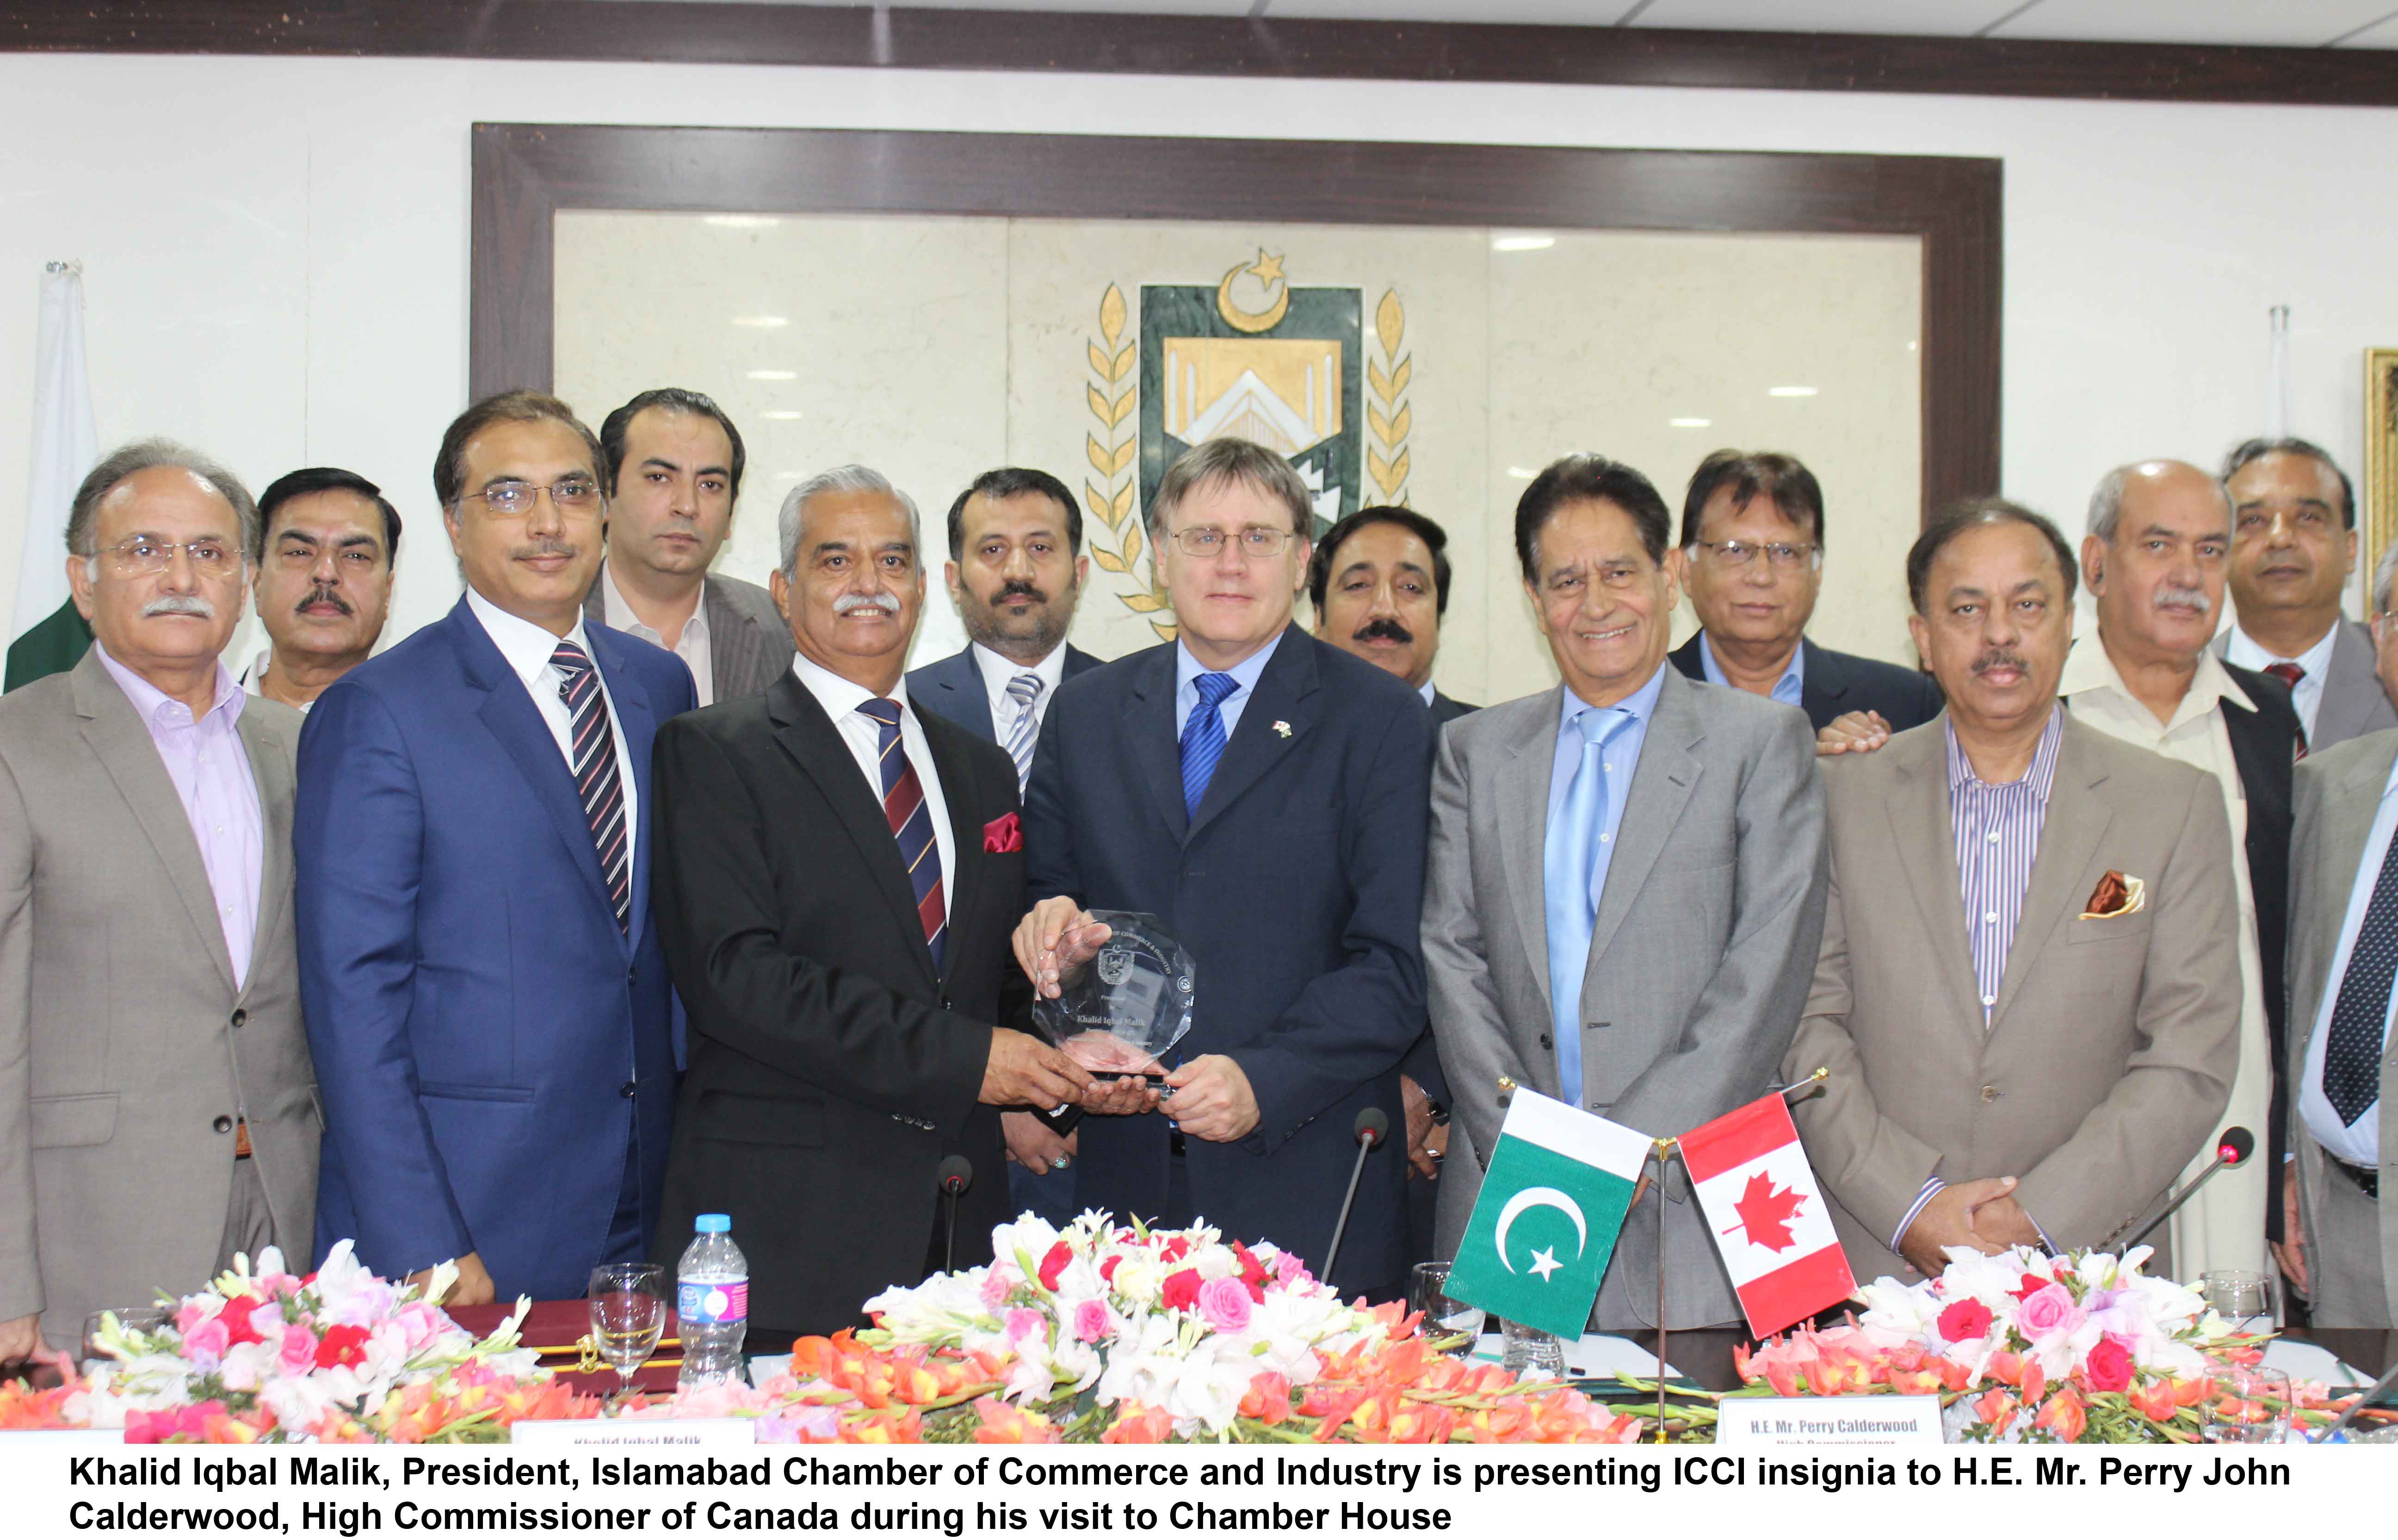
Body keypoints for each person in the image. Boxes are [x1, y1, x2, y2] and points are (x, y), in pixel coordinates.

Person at [651, 466, 1094, 1336]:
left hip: (961, 1229)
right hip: (789, 1227)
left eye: (892, 560)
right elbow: (736, 978)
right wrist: (968, 1060)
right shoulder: (712, 752)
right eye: (835, 560)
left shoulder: (980, 769)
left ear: (923, 589)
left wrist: (1068, 1024)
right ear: (783, 590)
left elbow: (985, 982)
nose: (868, 583)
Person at [1424, 453, 1826, 1388]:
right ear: (1534, 598)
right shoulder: (1474, 750)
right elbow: (1451, 955)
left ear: (1670, 574)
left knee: (1702, 1464)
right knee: (1510, 1457)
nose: (1596, 602)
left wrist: (1623, 1152)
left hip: (1702, 1211)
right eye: (1566, 579)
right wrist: (1537, 1152)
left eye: (1619, 571)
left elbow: (1766, 970)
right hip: (1514, 1198)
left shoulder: (1760, 740)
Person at [297, 390, 696, 1305]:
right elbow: (351, 999)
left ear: (605, 509)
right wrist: (420, 1235)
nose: (548, 522)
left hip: (647, 1191)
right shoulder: (380, 709)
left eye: (573, 490)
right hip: (469, 1208)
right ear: (454, 521)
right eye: (510, 494)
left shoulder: (658, 685)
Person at [1014, 437, 1430, 1299]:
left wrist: (1264, 1079)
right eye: (1204, 537)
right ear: (1160, 557)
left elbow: (1396, 965)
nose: (1230, 563)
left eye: (1259, 538)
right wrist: (1051, 944)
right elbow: (1047, 901)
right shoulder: (1085, 714)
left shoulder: (1381, 720)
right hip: (1124, 1189)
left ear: (1302, 559)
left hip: (1307, 1179)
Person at [1790, 499, 2240, 1282]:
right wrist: (1908, 1204)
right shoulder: (1838, 797)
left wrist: (2037, 1215)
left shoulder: (2172, 805)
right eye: (1967, 609)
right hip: (1880, 1262)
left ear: (2069, 623)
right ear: (1922, 636)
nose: (1999, 633)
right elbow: (1805, 1028)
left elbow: (2188, 1055)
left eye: (2027, 605)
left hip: (2093, 1278)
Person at [0, 441, 316, 1360]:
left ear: (246, 580)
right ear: (82, 580)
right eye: (144, 549)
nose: (181, 577)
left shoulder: (299, 744)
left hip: (286, 1218)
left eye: (210, 552)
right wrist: (7, 1280)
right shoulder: (19, 744)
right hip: (91, 1232)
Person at [2058, 461, 2299, 1280]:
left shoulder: (2264, 720)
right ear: (2096, 563)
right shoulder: (2035, 709)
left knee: (2219, 1336)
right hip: (2073, 1119)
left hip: (2233, 1115)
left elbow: (2283, 947)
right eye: (2158, 545)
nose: (2188, 575)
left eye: (2209, 549)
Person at [907, 467, 1101, 1225]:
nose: (1017, 570)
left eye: (1040, 548)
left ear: (1078, 570)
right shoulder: (899, 711)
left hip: (1107, 1111)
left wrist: (1066, 1094)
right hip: (944, 1111)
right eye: (992, 549)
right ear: (953, 577)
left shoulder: (1138, 708)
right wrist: (995, 1091)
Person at [1307, 503, 1473, 1262]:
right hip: (1300, 1126)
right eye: (1357, 585)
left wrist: (1432, 1089)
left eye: (1411, 588)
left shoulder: (1492, 752)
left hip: (1452, 1141)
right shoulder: (1265, 755)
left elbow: (1514, 952)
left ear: (1438, 614)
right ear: (1316, 612)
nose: (1385, 609)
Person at [2285, 541, 2398, 1375]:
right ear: (2379, 635)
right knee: (2348, 1441)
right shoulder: (2327, 785)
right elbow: (2292, 989)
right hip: (2338, 1227)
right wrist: (2290, 1168)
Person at [1667, 449, 1940, 736]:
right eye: (1735, 550)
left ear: (1817, 571)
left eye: (1786, 552)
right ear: (1686, 570)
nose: (1762, 576)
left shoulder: (1907, 704)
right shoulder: (1644, 699)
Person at [583, 387, 792, 705]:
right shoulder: (555, 619)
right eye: (659, 477)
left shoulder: (783, 630)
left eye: (710, 485)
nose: (687, 506)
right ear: (607, 495)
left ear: (731, 513)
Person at [2215, 437, 2396, 754]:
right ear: (2220, 551)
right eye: (2253, 520)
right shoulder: (2177, 684)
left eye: (2308, 517)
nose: (2281, 538)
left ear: (2350, 549)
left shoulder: (2391, 671)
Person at [236, 468, 400, 712]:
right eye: (299, 553)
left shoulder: (429, 727)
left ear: (387, 592)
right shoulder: (194, 723)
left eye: (356, 556)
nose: (326, 573)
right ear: (257, 584)